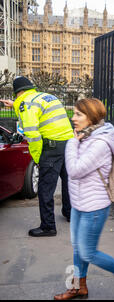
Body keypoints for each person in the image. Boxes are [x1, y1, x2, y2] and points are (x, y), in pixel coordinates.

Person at [54, 98, 114, 300]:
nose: (73, 118)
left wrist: (72, 142)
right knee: (78, 248)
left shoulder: (99, 142)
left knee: (88, 252)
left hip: (94, 206)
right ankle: (78, 287)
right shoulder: (86, 136)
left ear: (91, 117)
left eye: (78, 114)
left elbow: (74, 170)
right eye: (73, 113)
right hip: (78, 203)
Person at [0, 76, 73, 237]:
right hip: (68, 144)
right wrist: (15, 105)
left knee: (45, 188)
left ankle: (48, 226)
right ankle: (69, 213)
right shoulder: (46, 97)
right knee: (68, 180)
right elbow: (36, 110)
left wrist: (38, 158)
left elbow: (32, 135)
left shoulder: (26, 104)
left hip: (51, 147)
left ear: (18, 93)